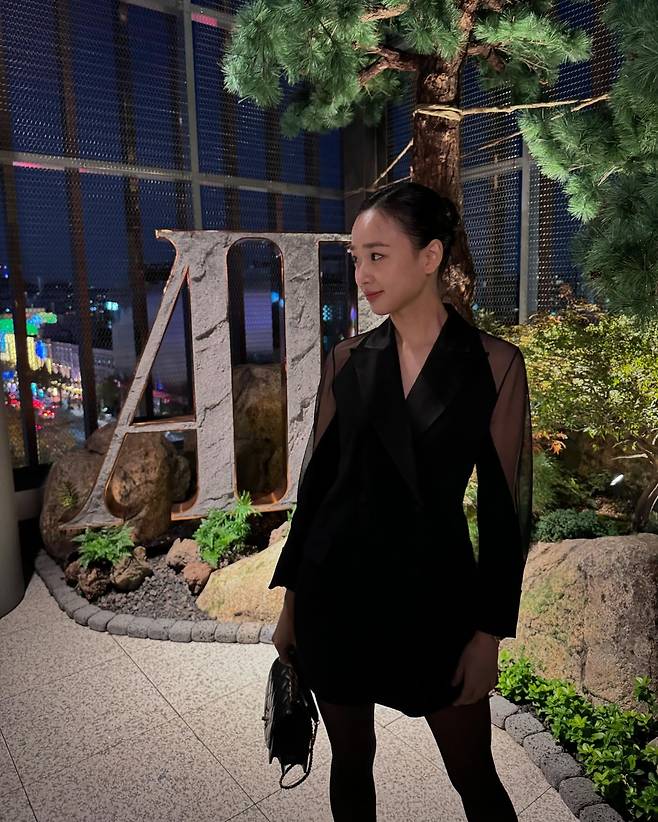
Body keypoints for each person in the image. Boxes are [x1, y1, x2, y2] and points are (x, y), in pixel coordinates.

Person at [269, 180, 533, 821]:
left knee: (474, 776)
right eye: (356, 258)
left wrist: (489, 635)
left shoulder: (494, 365)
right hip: (337, 596)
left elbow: (505, 515)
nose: (361, 274)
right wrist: (291, 606)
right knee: (351, 765)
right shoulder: (348, 360)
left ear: (431, 256)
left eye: (378, 256)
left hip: (435, 599)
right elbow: (317, 494)